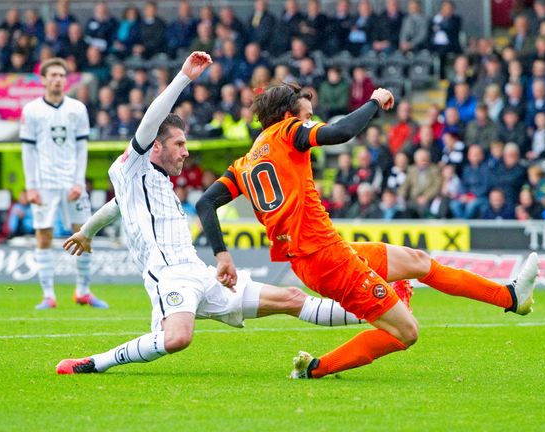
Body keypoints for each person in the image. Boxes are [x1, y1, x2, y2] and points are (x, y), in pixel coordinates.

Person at [54, 52, 372, 376]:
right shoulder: (131, 167)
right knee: (177, 338)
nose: (186, 151)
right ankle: (94, 363)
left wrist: (87, 232)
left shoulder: (155, 183)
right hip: (169, 275)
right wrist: (183, 77)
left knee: (291, 298)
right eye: (178, 144)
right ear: (155, 147)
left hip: (201, 273)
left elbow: (116, 206)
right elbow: (151, 121)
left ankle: (379, 309)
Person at [196, 82, 539, 380]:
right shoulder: (288, 132)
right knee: (406, 332)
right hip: (327, 260)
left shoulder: (245, 163)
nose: (311, 121)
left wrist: (222, 255)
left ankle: (509, 297)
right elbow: (341, 133)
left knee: (417, 260)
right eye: (308, 116)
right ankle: (316, 368)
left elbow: (205, 204)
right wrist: (375, 100)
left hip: (321, 254)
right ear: (288, 115)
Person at [20, 58, 107, 310]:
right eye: (53, 75)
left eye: (61, 75)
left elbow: (82, 148)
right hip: (44, 182)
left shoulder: (78, 109)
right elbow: (28, 151)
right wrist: (31, 186)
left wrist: (79, 182)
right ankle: (48, 295)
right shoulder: (32, 110)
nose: (58, 79)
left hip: (72, 182)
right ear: (44, 79)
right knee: (43, 235)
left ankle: (83, 291)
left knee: (84, 233)